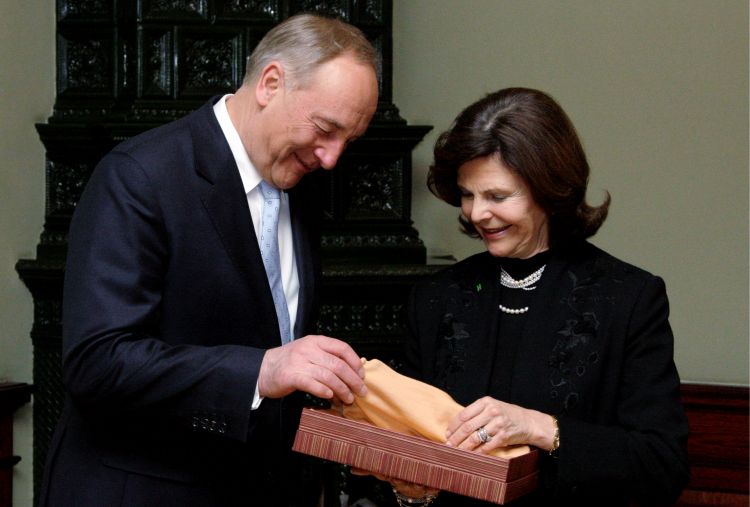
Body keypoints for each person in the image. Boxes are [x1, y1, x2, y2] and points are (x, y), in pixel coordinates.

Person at [39, 14, 379, 507]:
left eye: (350, 140)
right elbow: (96, 362)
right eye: (326, 129)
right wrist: (261, 370)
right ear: (270, 83)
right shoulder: (139, 176)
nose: (332, 158)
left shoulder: (300, 182)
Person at [393, 87, 689, 506]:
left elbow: (662, 465)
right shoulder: (435, 298)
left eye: (497, 196)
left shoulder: (628, 297)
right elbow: (407, 448)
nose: (476, 213)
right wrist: (410, 491)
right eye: (467, 194)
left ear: (549, 190)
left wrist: (539, 427)